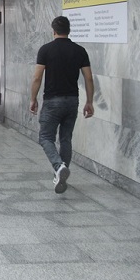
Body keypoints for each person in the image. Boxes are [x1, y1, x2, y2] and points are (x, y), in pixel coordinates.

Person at [30, 16, 94, 194]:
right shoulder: (80, 51)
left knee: (45, 137)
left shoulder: (45, 50)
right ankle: (60, 174)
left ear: (53, 31)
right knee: (65, 139)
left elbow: (37, 77)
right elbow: (88, 78)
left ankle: (59, 167)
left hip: (52, 101)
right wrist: (89, 101)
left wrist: (33, 98)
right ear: (69, 30)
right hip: (72, 101)